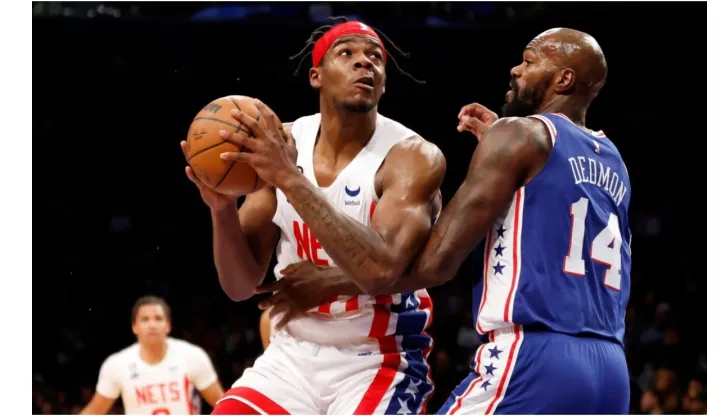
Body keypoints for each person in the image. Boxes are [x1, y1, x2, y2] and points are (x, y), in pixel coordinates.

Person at [260, 27, 632, 414]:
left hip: (536, 356)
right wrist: (505, 154)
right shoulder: (611, 159)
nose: (516, 70)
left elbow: (438, 263)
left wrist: (330, 282)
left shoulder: (518, 135)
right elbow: (556, 212)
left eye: (529, 61)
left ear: (564, 79)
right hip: (610, 369)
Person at [181, 19, 444, 414]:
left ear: (385, 83)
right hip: (292, 355)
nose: (364, 63)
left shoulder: (411, 157)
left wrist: (289, 178)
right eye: (347, 54)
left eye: (375, 58)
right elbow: (240, 286)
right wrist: (221, 210)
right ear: (316, 76)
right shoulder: (282, 142)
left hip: (379, 357)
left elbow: (380, 272)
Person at [81, 296, 224, 415]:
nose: (152, 325)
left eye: (158, 318)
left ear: (168, 325)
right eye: (145, 319)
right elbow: (94, 412)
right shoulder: (116, 364)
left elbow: (224, 404)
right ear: (134, 327)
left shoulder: (193, 356)